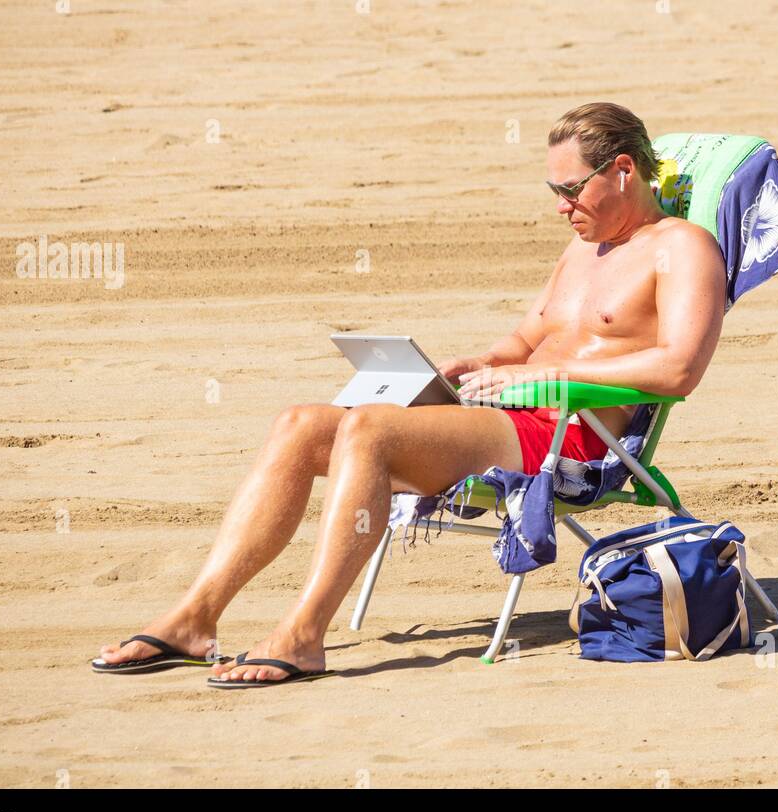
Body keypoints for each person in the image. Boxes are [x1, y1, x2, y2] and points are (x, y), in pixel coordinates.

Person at [91, 101, 727, 687]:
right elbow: (524, 339)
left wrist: (545, 380)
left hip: (573, 439)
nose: (561, 206)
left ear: (620, 171)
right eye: (553, 191)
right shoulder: (582, 250)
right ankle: (193, 618)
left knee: (369, 430)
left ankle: (304, 634)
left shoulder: (682, 247)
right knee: (300, 424)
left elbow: (680, 371)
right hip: (503, 412)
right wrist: (477, 363)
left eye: (570, 190)